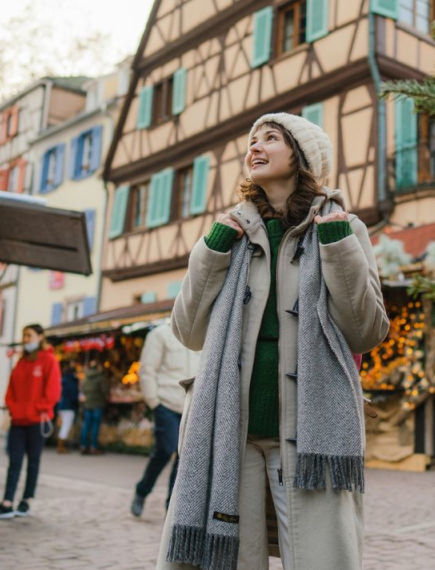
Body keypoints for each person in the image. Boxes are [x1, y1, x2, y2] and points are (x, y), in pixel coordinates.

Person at [156, 113, 389, 570]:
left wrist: (338, 247)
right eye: (251, 142)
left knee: (318, 558)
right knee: (232, 560)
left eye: (270, 139)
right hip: (232, 431)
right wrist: (213, 249)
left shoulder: (344, 227)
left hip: (308, 433)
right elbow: (188, 331)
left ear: (299, 156)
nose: (254, 148)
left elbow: (367, 331)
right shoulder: (231, 233)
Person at [0, 324, 61, 520]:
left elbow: (52, 391)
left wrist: (39, 409)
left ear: (40, 337)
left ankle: (26, 500)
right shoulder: (21, 361)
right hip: (18, 420)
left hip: (37, 420)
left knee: (33, 462)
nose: (26, 339)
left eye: (29, 335)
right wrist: (14, 408)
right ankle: (7, 502)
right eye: (24, 335)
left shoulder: (49, 361)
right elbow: (11, 390)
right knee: (14, 461)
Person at [131, 318, 199, 517]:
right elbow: (147, 370)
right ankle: (142, 490)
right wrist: (154, 402)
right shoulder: (160, 334)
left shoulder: (199, 334)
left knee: (183, 457)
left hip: (192, 406)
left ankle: (171, 507)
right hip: (166, 404)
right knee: (165, 450)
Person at [79, 357, 109, 455]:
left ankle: (83, 446)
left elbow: (82, 390)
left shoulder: (86, 377)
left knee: (86, 425)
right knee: (95, 425)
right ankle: (93, 447)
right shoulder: (100, 378)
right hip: (97, 404)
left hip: (87, 404)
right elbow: (105, 391)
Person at [56, 361, 79, 454]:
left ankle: (61, 445)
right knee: (66, 426)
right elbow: (73, 395)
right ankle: (61, 446)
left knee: (63, 426)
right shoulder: (72, 382)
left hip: (61, 405)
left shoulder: (62, 380)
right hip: (69, 406)